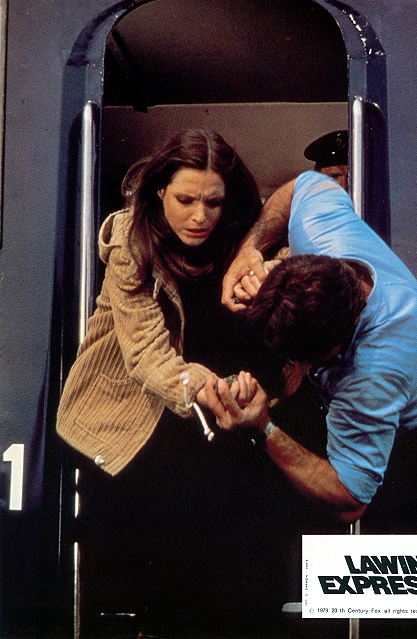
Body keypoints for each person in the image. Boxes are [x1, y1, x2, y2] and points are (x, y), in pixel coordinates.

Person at [56, 129, 283, 636]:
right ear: (160, 191)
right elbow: (146, 354)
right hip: (132, 411)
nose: (200, 216)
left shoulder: (243, 238)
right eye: (185, 200)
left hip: (216, 412)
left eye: (213, 202)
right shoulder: (130, 239)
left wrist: (267, 273)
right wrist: (210, 389)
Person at [210, 170, 417, 532]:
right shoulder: (320, 230)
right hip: (330, 401)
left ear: (339, 343)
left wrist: (263, 427)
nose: (296, 370)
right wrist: (249, 250)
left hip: (398, 445)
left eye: (303, 362)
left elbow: (350, 500)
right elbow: (300, 186)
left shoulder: (375, 370)